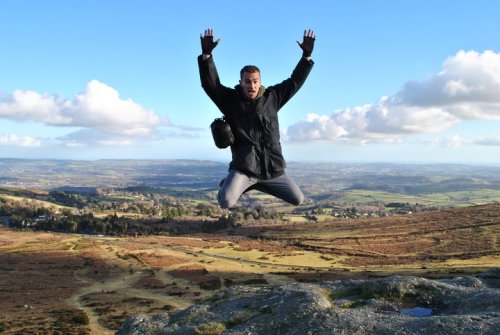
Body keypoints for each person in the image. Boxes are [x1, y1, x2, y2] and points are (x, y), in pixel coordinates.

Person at [198, 28, 315, 209]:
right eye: (247, 81)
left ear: (260, 81)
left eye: (255, 81)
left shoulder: (273, 97)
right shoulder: (230, 101)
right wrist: (206, 56)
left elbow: (295, 82)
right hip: (244, 169)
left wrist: (306, 57)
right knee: (226, 201)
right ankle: (235, 184)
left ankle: (258, 185)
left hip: (272, 170)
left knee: (298, 198)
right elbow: (211, 85)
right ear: (241, 82)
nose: (251, 85)